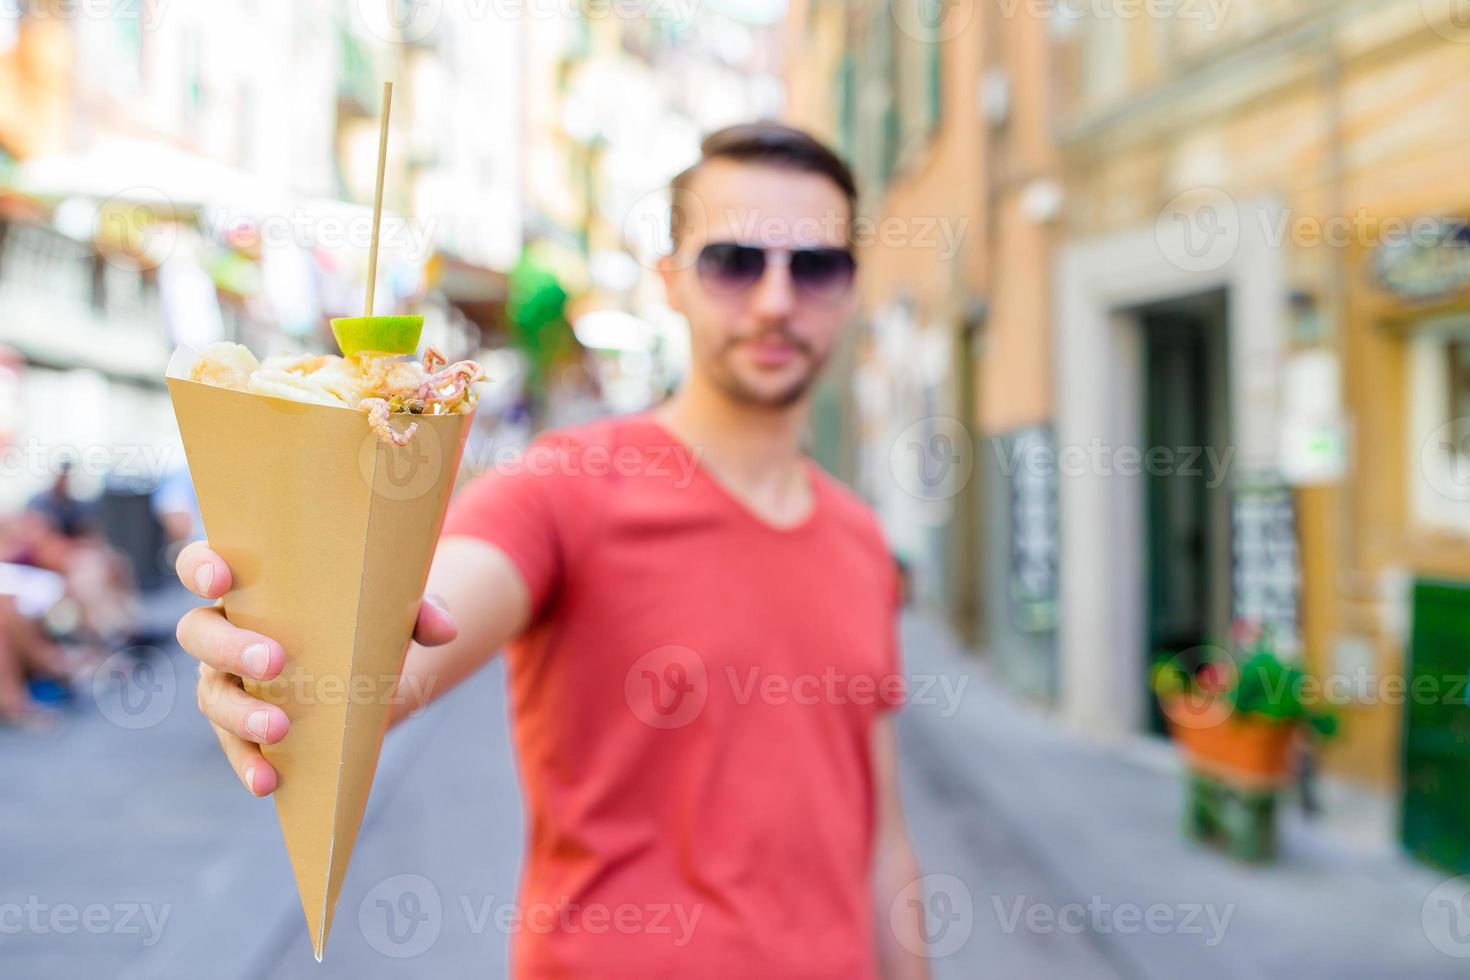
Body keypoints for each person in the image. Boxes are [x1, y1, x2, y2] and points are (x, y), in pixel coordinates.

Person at [174, 122, 931, 979]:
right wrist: (283, 659)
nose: (774, 300)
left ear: (851, 290)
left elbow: (878, 831)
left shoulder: (861, 540)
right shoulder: (563, 487)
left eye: (816, 266)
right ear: (672, 281)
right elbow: (401, 644)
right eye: (735, 261)